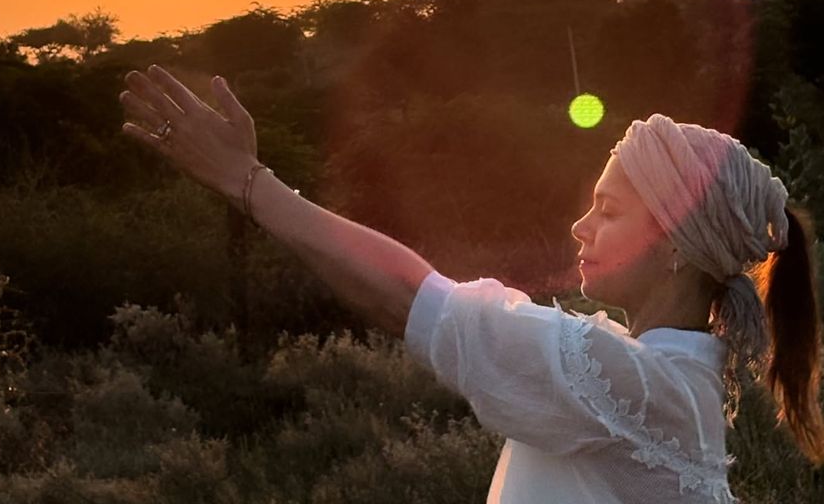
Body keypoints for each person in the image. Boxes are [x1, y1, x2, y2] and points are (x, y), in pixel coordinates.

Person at [120, 66, 824, 502]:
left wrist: (248, 184)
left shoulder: (631, 384)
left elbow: (409, 297)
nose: (580, 227)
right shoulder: (669, 388)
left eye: (609, 212)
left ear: (675, 245)